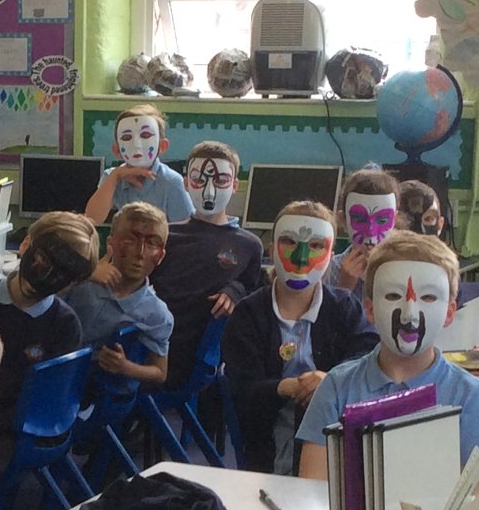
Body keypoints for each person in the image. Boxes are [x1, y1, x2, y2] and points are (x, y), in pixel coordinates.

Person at [297, 231, 479, 480]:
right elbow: (312, 486)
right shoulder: (336, 388)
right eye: (393, 296)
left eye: (427, 297)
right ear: (370, 309)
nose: (409, 315)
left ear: (449, 313)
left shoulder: (469, 396)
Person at [224, 200, 375, 475]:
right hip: (269, 433)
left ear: (331, 254)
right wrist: (288, 387)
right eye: (289, 242)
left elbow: (368, 354)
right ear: (272, 250)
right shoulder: (249, 314)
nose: (301, 257)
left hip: (336, 430)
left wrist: (330, 378)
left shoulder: (343, 307)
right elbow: (241, 388)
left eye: (317, 245)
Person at [0, 209, 94, 447]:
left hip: (18, 429)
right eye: (43, 260)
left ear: (72, 283)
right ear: (26, 244)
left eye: (63, 274)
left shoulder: (64, 325)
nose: (47, 276)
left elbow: (48, 399)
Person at [150, 141, 263, 387]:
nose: (209, 192)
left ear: (234, 186)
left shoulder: (249, 245)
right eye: (199, 180)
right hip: (153, 341)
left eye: (221, 180)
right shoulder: (165, 234)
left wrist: (236, 290)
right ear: (186, 183)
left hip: (196, 357)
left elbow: (254, 288)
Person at [64, 202, 173, 388]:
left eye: (151, 244)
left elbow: (160, 372)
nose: (140, 253)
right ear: (111, 242)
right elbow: (40, 299)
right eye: (131, 240)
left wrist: (126, 367)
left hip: (92, 391)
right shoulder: (83, 283)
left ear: (161, 256)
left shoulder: (157, 313)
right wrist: (85, 272)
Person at [83, 103, 193, 224]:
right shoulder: (113, 177)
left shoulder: (172, 182)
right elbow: (92, 219)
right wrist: (115, 176)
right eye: (126, 137)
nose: (136, 144)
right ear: (117, 150)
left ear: (162, 146)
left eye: (145, 135)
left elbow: (187, 230)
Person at [327, 169, 401, 294]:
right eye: (360, 220)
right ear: (343, 220)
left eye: (382, 220)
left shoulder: (407, 268)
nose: (370, 232)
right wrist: (343, 291)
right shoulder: (327, 272)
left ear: (394, 220)